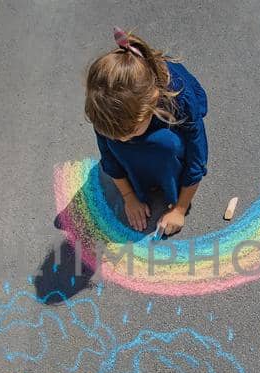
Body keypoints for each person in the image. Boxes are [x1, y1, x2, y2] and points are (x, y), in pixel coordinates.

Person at [84, 27, 208, 236]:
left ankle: (167, 176)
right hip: (146, 119)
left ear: (151, 102)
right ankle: (145, 175)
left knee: (165, 145)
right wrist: (129, 197)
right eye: (117, 135)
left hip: (168, 125)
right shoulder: (105, 111)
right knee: (120, 145)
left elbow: (197, 158)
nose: (123, 138)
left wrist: (180, 208)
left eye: (131, 132)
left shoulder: (181, 99)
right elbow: (109, 158)